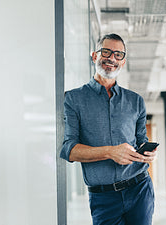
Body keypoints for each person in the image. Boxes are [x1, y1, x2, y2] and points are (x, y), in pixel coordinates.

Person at [60, 33, 157, 225]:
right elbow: (69, 150)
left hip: (139, 189)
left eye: (118, 55)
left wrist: (148, 153)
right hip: (103, 198)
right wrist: (110, 152)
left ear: (123, 62)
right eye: (106, 52)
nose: (112, 58)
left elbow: (141, 141)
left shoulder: (135, 101)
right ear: (95, 56)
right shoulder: (73, 99)